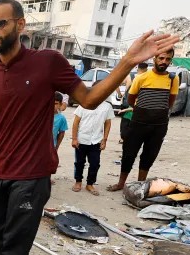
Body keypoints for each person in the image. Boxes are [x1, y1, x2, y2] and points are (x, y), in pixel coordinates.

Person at [0, 0, 178, 255]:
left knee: (15, 247)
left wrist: (126, 63)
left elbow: (88, 99)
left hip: (30, 177)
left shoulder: (47, 62)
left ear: (20, 25)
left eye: (0, 23)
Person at [107, 50, 179, 192]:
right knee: (129, 153)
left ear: (171, 61)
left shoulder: (173, 79)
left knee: (149, 155)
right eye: (161, 58)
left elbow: (170, 101)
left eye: (167, 59)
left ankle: (140, 185)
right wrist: (143, 110)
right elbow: (131, 99)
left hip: (159, 125)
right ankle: (121, 183)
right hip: (138, 122)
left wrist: (157, 111)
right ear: (154, 59)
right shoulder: (141, 77)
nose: (164, 61)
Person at [71, 81, 115, 196]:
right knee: (79, 162)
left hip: (96, 140)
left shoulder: (107, 107)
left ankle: (90, 184)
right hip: (82, 139)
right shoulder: (84, 104)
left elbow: (108, 123)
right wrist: (74, 138)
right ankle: (78, 181)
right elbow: (76, 122)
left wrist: (104, 139)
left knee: (95, 163)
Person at [116, 62, 149, 144]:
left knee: (125, 123)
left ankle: (123, 138)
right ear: (146, 69)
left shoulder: (130, 76)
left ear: (138, 68)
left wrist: (120, 94)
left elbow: (116, 84)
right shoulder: (148, 78)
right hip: (140, 103)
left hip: (127, 102)